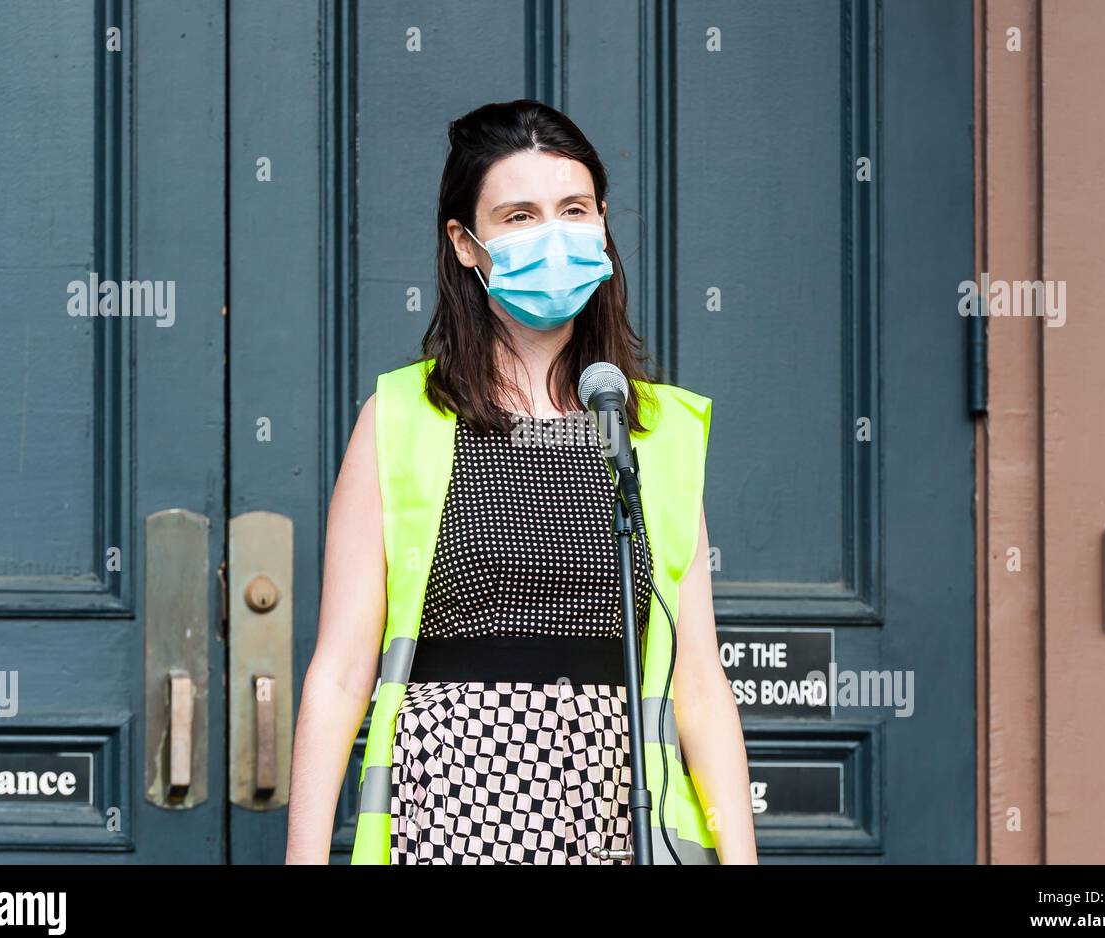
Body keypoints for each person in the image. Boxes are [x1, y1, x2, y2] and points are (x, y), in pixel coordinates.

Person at [285, 99, 755, 864]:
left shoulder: (655, 429)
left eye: (573, 209)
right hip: (455, 804)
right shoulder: (402, 416)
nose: (553, 233)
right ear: (465, 243)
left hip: (619, 804)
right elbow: (340, 671)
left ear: (603, 223)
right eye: (519, 215)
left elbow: (699, 681)